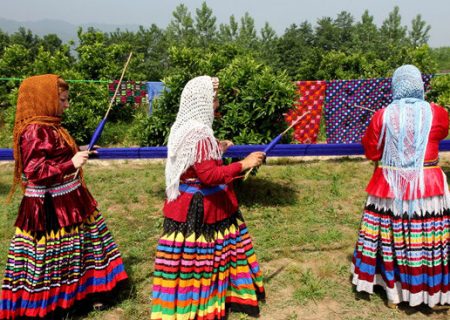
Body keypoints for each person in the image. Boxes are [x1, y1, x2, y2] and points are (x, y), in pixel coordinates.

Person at [0, 74, 128, 319]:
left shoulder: (51, 126)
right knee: (51, 258)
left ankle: (88, 292)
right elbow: (35, 171)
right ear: (45, 98)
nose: (66, 104)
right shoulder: (34, 130)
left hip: (70, 198)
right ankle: (54, 303)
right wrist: (71, 163)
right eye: (62, 99)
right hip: (49, 208)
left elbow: (53, 155)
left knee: (83, 248)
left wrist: (79, 150)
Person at [150, 76, 266, 319]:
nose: (217, 103)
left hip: (184, 202)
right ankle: (204, 305)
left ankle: (182, 302)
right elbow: (210, 176)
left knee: (188, 263)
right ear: (201, 101)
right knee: (206, 260)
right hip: (203, 210)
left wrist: (218, 150)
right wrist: (244, 164)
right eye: (213, 98)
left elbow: (193, 164)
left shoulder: (183, 128)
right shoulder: (201, 134)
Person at [352, 65, 450, 308]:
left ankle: (394, 293)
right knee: (426, 240)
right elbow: (442, 134)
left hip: (390, 184)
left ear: (396, 85)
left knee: (390, 237)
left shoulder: (382, 116)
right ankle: (427, 291)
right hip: (428, 184)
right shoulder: (437, 113)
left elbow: (372, 151)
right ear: (419, 84)